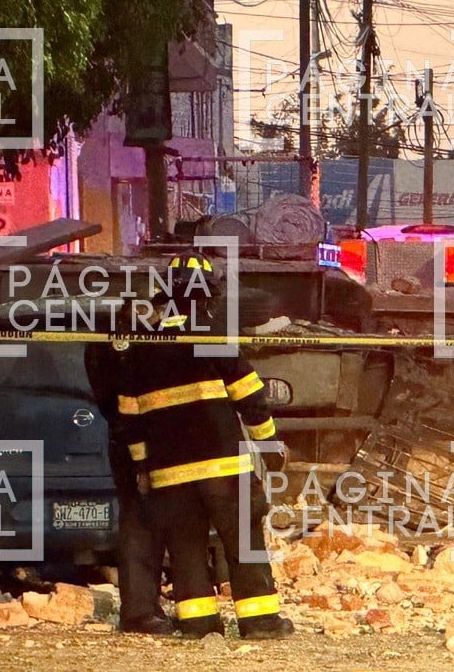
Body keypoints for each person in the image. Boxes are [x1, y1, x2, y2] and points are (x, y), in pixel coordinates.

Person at [116, 251, 294, 640]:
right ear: (208, 296)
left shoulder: (144, 348)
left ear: (167, 296)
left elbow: (130, 417)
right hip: (222, 470)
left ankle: (198, 623)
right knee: (242, 542)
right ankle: (261, 622)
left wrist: (143, 467)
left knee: (185, 549)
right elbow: (251, 397)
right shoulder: (213, 336)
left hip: (169, 476)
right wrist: (269, 446)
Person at [85, 324, 173, 636]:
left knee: (149, 522)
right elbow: (122, 401)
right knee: (140, 522)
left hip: (140, 439)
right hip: (139, 441)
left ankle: (147, 608)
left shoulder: (114, 339)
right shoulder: (132, 339)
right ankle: (139, 612)